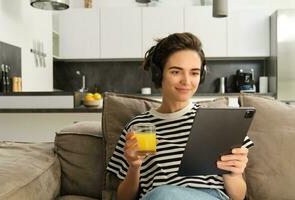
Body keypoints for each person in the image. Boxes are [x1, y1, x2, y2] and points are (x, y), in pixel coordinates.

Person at [106, 32, 254, 200]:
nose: (186, 81)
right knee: (162, 194)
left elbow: (238, 197)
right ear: (158, 74)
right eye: (176, 72)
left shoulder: (219, 123)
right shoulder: (138, 126)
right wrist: (134, 166)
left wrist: (233, 173)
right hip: (157, 197)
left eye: (194, 73)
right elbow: (124, 198)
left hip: (210, 196)